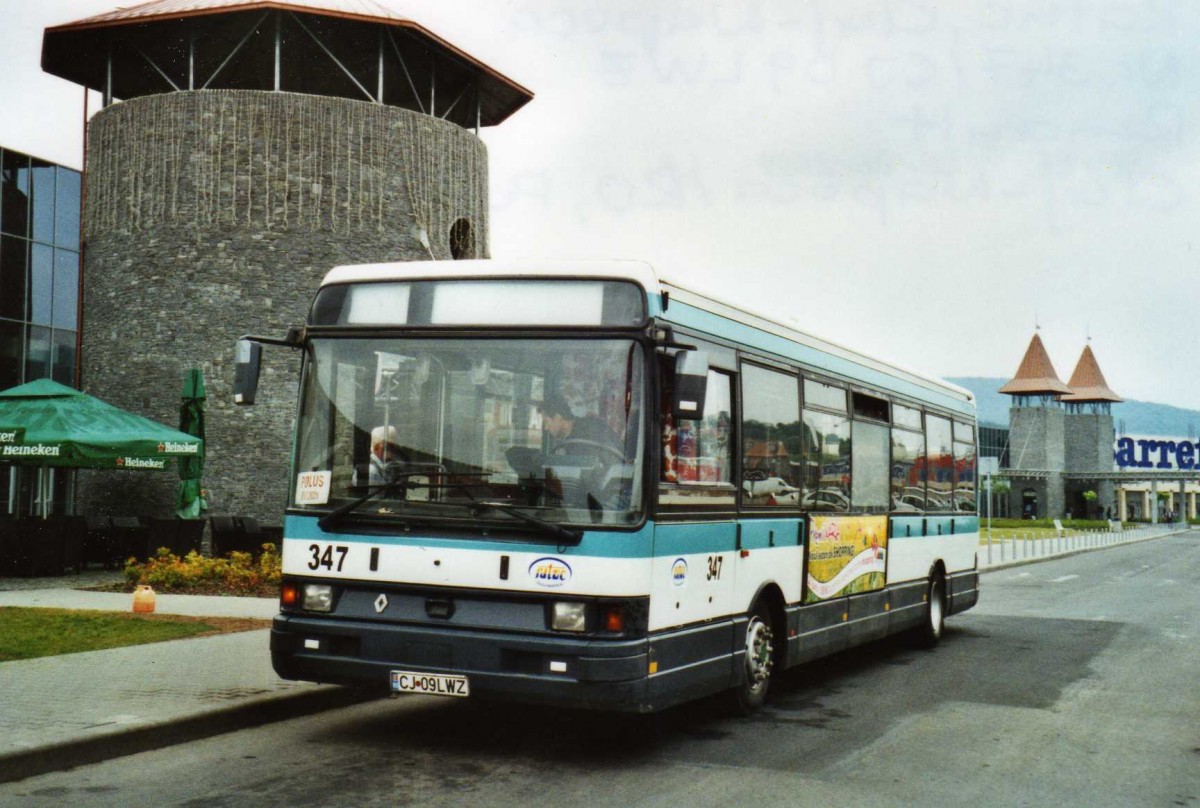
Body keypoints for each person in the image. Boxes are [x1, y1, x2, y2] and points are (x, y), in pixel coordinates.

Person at [539, 391, 621, 458]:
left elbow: (617, 462)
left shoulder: (593, 429)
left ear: (558, 417)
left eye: (547, 421)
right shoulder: (563, 442)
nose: (546, 427)